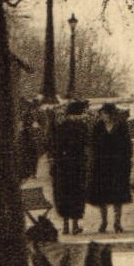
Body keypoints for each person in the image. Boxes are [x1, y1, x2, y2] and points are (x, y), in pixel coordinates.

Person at [86, 102, 133, 233]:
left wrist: (126, 162)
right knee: (102, 196)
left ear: (112, 115)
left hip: (117, 165)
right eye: (103, 114)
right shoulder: (97, 127)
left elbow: (128, 146)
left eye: (107, 114)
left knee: (118, 195)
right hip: (101, 166)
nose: (105, 116)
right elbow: (92, 146)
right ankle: (104, 222)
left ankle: (117, 223)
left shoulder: (121, 127)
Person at [49, 100, 91, 235]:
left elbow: (53, 147)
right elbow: (87, 145)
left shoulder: (60, 127)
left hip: (61, 167)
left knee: (63, 194)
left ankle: (66, 225)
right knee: (77, 194)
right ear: (76, 114)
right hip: (77, 167)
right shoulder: (82, 127)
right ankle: (74, 225)